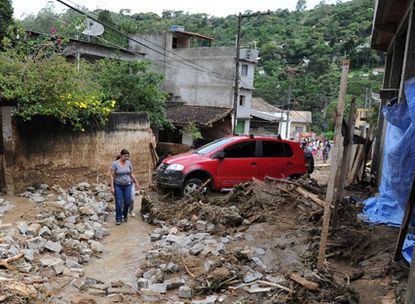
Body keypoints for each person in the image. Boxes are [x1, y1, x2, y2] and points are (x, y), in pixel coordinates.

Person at [110, 148, 138, 225]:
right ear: (121, 155)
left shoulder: (129, 163)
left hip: (128, 185)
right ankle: (118, 218)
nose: (126, 158)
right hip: (118, 185)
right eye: (125, 156)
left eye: (128, 157)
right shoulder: (115, 164)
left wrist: (136, 182)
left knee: (128, 201)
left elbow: (131, 174)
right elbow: (112, 175)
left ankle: (125, 215)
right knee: (119, 203)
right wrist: (112, 187)